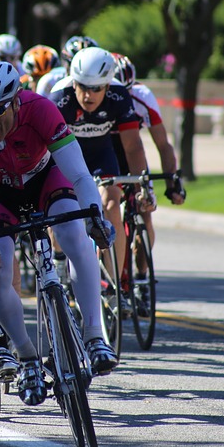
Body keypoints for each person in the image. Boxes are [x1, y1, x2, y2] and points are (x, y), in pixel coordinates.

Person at [0, 61, 119, 407]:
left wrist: (95, 218)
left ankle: (94, 335)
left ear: (15, 101)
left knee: (74, 232)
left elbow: (81, 176)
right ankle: (27, 357)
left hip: (45, 178)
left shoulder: (41, 109)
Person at [48, 47, 153, 298]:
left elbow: (132, 146)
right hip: (66, 155)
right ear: (73, 82)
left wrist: (143, 188)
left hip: (101, 154)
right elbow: (47, 150)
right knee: (61, 210)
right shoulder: (59, 98)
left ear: (107, 85)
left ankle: (114, 282)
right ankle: (60, 259)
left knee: (111, 204)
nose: (88, 94)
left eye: (96, 88)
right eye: (83, 86)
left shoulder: (118, 95)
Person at [111, 52, 186, 314]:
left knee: (145, 212)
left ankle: (141, 277)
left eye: (127, 90)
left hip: (133, 155)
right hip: (105, 154)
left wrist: (173, 183)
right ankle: (109, 277)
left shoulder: (143, 97)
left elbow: (163, 145)